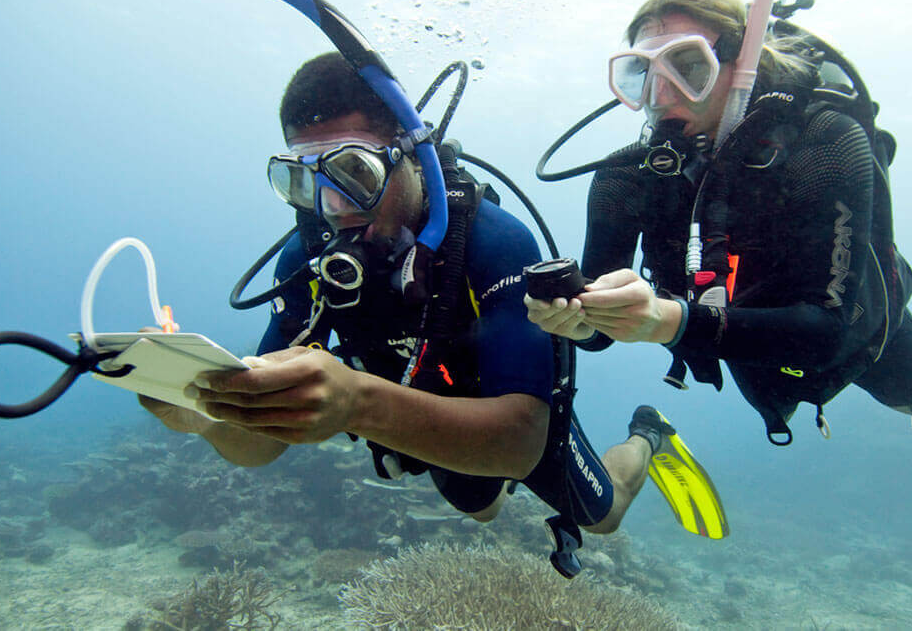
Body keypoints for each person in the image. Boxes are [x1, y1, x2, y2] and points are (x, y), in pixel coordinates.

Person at [137, 52, 724, 577]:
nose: (334, 209)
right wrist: (205, 413)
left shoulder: (493, 241)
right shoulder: (309, 258)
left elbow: (520, 442)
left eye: (355, 175)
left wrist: (357, 401)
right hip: (421, 413)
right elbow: (261, 445)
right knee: (483, 506)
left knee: (604, 516)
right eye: (302, 181)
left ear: (413, 156)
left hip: (511, 414)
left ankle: (649, 435)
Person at [525, 0, 912, 569]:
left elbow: (829, 330)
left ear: (740, 63)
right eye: (642, 74)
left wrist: (665, 321)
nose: (663, 95)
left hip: (861, 330)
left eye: (687, 66)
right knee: (774, 394)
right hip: (743, 344)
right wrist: (578, 321)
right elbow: (603, 328)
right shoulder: (628, 175)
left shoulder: (825, 142)